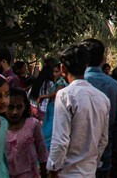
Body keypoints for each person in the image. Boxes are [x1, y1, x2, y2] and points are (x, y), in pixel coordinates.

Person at [47, 44, 110, 177]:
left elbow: (60, 140)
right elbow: (103, 140)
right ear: (85, 67)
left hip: (68, 173)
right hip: (89, 171)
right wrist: (93, 162)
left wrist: (53, 168)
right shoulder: (102, 98)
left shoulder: (65, 95)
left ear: (63, 68)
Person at [82, 38, 117, 178]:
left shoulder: (71, 87)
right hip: (104, 157)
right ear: (102, 58)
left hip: (75, 161)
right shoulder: (115, 86)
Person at [6, 87, 48, 178]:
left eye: (19, 107)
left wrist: (44, 172)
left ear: (25, 106)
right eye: (11, 107)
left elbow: (42, 151)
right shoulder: (0, 126)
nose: (15, 112)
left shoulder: (32, 124)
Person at [38, 62, 67, 150]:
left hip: (55, 107)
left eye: (57, 71)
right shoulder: (57, 82)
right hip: (51, 107)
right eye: (53, 72)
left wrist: (44, 96)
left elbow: (56, 93)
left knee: (49, 131)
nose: (54, 74)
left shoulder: (61, 82)